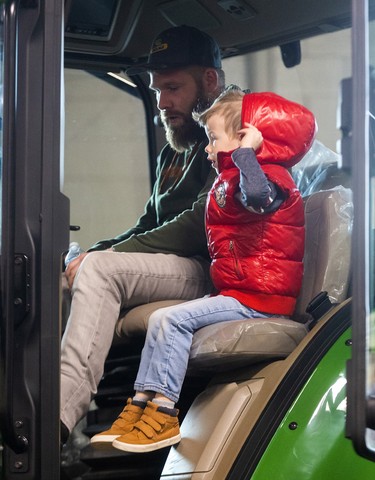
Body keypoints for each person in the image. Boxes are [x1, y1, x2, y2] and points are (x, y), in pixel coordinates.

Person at [90, 88, 316, 452]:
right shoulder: (232, 179)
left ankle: (162, 413)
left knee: (171, 320)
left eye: (214, 139)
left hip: (261, 297)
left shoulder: (270, 179)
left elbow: (257, 198)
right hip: (241, 291)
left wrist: (247, 153)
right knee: (163, 318)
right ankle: (139, 407)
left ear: (246, 139)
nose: (207, 149)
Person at [60, 25, 226, 441]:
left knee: (98, 271)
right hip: (175, 266)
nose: (162, 103)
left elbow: (199, 224)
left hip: (214, 270)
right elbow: (149, 223)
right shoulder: (175, 149)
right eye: (156, 91)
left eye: (172, 88)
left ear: (210, 80)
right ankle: (73, 429)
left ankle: (54, 420)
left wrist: (102, 261)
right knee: (61, 275)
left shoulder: (230, 136)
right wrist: (96, 251)